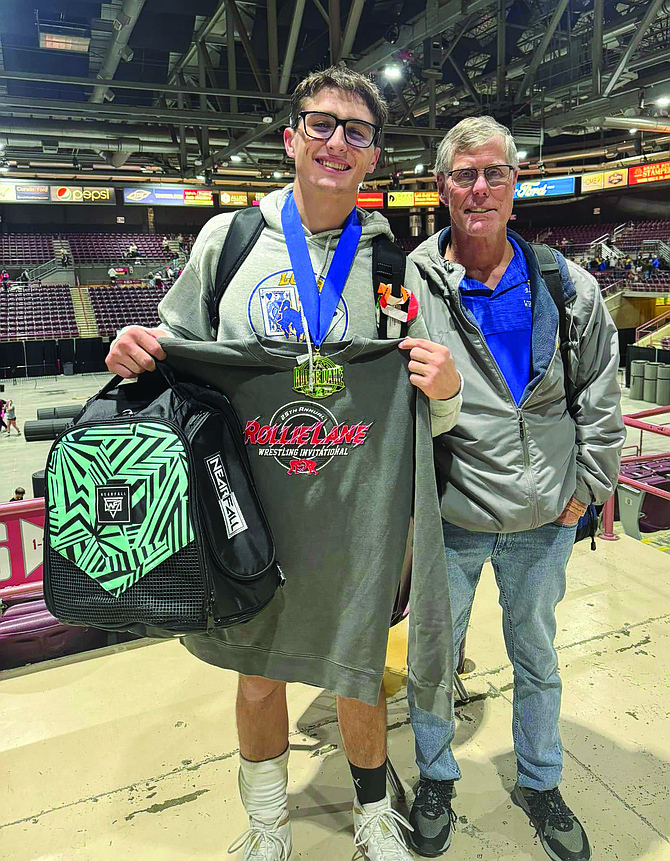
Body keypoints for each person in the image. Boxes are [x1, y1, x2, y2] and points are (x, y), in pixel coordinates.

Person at [106, 65, 462, 861]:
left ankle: (374, 818)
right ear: (292, 138)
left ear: (373, 156)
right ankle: (269, 824)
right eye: (322, 123)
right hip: (246, 508)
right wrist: (134, 351)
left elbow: (429, 402)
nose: (338, 141)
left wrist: (448, 389)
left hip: (352, 511)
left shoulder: (392, 265)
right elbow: (171, 351)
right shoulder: (228, 241)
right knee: (258, 673)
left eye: (357, 131)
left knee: (355, 672)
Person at [407, 116, 625, 861]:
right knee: (433, 659)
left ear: (515, 184)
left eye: (494, 173)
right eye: (464, 175)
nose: (480, 189)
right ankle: (435, 775)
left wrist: (588, 488)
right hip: (452, 514)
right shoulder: (411, 284)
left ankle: (541, 780)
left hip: (544, 515)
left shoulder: (567, 284)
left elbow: (600, 389)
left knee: (537, 657)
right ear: (441, 188)